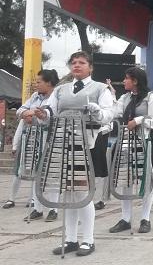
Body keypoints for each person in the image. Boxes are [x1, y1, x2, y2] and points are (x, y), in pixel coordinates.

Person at [35, 51, 114, 256]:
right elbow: (49, 112)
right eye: (73, 63)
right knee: (68, 194)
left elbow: (108, 116)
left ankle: (88, 240)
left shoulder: (100, 89)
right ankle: (70, 239)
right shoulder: (60, 90)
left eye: (81, 62)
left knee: (83, 194)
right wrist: (43, 114)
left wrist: (96, 110)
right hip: (62, 145)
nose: (77, 65)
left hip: (87, 146)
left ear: (90, 67)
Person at [109, 67, 153, 234]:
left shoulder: (151, 98)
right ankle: (125, 219)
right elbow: (113, 112)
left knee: (147, 180)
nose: (124, 81)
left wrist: (139, 120)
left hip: (146, 143)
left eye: (127, 78)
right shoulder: (125, 98)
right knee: (126, 178)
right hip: (127, 143)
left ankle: (145, 219)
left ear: (135, 81)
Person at [3, 70, 59, 223]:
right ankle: (37, 208)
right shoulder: (35, 96)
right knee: (36, 174)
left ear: (48, 83)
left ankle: (54, 209)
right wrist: (29, 113)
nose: (36, 84)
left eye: (39, 81)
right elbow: (20, 111)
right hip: (34, 140)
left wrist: (31, 113)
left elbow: (49, 114)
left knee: (51, 176)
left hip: (51, 139)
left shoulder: (57, 96)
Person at [93, 78, 118, 211]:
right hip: (88, 133)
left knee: (100, 167)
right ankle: (91, 197)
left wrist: (109, 86)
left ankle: (100, 199)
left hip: (102, 133)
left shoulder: (110, 100)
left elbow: (113, 106)